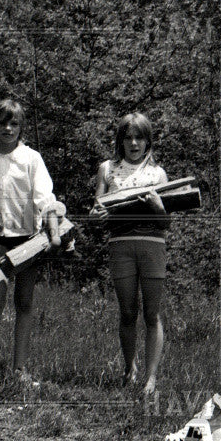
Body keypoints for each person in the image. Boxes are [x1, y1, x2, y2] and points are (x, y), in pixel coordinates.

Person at [0, 99, 62, 393]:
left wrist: (53, 230)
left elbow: (45, 197)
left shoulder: (32, 159)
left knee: (24, 303)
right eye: (2, 123)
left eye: (14, 123)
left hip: (28, 239)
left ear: (21, 127)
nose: (7, 129)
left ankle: (20, 369)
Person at [91, 112, 169, 395]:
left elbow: (166, 222)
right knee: (127, 312)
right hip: (120, 246)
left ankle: (151, 379)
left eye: (140, 137)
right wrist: (97, 213)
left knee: (152, 313)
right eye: (128, 137)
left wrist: (159, 208)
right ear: (120, 141)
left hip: (152, 246)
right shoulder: (107, 169)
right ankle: (129, 369)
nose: (134, 143)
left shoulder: (158, 173)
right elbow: (96, 210)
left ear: (148, 141)